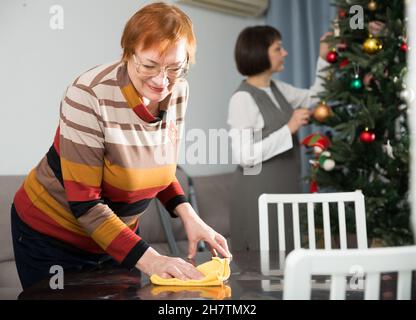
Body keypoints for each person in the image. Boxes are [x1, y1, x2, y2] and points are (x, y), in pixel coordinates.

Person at [11, 2, 231, 290]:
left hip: (117, 238)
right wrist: (154, 260)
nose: (161, 80)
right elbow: (86, 204)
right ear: (127, 53)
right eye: (149, 65)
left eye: (175, 68)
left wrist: (189, 216)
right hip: (52, 237)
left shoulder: (178, 90)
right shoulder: (88, 96)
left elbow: (156, 166)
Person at [227, 25, 331, 251]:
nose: (284, 53)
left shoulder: (278, 88)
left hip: (284, 193)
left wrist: (323, 59)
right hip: (256, 197)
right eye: (278, 48)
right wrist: (289, 128)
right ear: (259, 53)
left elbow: (315, 98)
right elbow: (244, 156)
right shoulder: (242, 99)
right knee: (261, 266)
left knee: (287, 259)